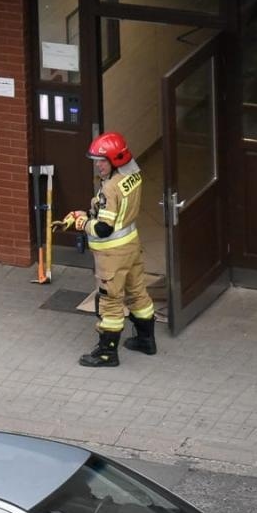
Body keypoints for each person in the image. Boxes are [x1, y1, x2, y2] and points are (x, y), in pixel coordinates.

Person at [62, 131, 157, 367]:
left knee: (110, 301)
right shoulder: (133, 175)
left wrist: (83, 223)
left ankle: (107, 353)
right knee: (138, 292)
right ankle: (146, 341)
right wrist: (88, 214)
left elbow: (104, 228)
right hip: (131, 245)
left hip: (111, 254)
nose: (98, 166)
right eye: (96, 161)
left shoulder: (109, 189)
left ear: (115, 160)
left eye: (102, 161)